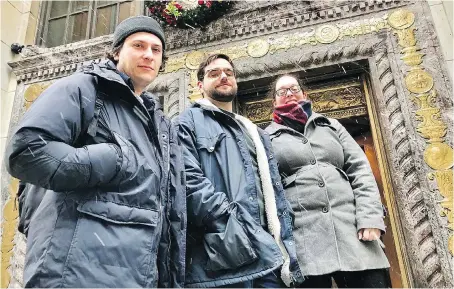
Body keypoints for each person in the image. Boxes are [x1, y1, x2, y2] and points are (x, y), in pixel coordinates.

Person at [4, 16, 186, 288]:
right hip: (76, 269)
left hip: (134, 273)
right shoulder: (83, 87)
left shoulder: (157, 122)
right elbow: (28, 150)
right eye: (138, 45)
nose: (148, 54)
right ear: (116, 51)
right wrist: (115, 158)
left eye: (156, 49)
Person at [176, 54, 304, 288]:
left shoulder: (257, 132)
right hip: (224, 253)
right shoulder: (186, 123)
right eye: (214, 73)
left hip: (268, 253)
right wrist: (231, 224)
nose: (223, 76)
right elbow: (187, 182)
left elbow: (273, 194)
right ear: (200, 85)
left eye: (229, 73)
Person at [264, 74, 390, 288]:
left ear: (304, 94)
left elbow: (360, 170)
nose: (289, 94)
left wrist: (370, 217)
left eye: (294, 89)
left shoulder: (332, 126)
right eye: (282, 91)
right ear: (274, 102)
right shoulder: (266, 138)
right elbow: (267, 191)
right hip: (303, 240)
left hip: (353, 231)